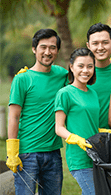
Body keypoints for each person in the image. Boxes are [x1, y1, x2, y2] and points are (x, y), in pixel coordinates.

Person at [6, 29, 67, 194]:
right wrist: (12, 152)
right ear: (34, 49)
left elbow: (85, 75)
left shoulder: (62, 74)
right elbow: (14, 116)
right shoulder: (22, 78)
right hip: (27, 154)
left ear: (57, 51)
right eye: (43, 47)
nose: (48, 52)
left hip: (53, 153)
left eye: (52, 48)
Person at [55, 48, 103, 195]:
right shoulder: (65, 93)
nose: (85, 70)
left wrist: (101, 131)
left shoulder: (93, 93)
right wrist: (75, 138)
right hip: (79, 156)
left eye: (90, 66)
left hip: (96, 154)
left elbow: (90, 122)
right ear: (71, 67)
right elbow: (59, 127)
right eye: (80, 66)